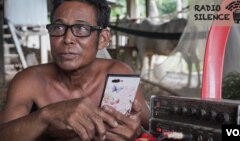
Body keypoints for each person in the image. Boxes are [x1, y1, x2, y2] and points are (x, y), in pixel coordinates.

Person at [0, 0, 150, 141]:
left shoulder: (119, 74)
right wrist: (46, 115)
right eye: (58, 27)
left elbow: (154, 128)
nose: (67, 39)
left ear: (103, 38)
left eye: (81, 28)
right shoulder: (30, 81)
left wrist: (138, 132)